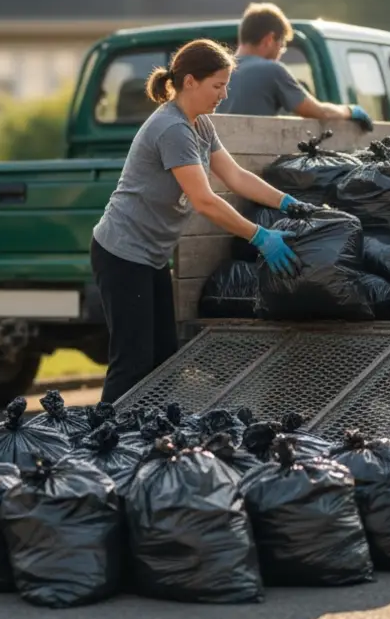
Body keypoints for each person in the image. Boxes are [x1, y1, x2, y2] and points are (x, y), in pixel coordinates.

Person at [89, 38, 321, 404]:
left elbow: (236, 176)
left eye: (226, 85)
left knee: (163, 358)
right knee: (132, 362)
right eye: (217, 85)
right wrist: (260, 236)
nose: (223, 95)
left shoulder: (200, 125)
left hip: (150, 256)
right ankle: (105, 435)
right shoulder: (172, 129)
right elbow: (205, 201)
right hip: (122, 254)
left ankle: (147, 434)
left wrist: (286, 202)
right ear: (190, 82)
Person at [219, 2, 375, 130]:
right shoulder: (271, 70)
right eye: (281, 46)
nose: (280, 53)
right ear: (270, 39)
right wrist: (350, 111)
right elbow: (321, 112)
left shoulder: (217, 69)